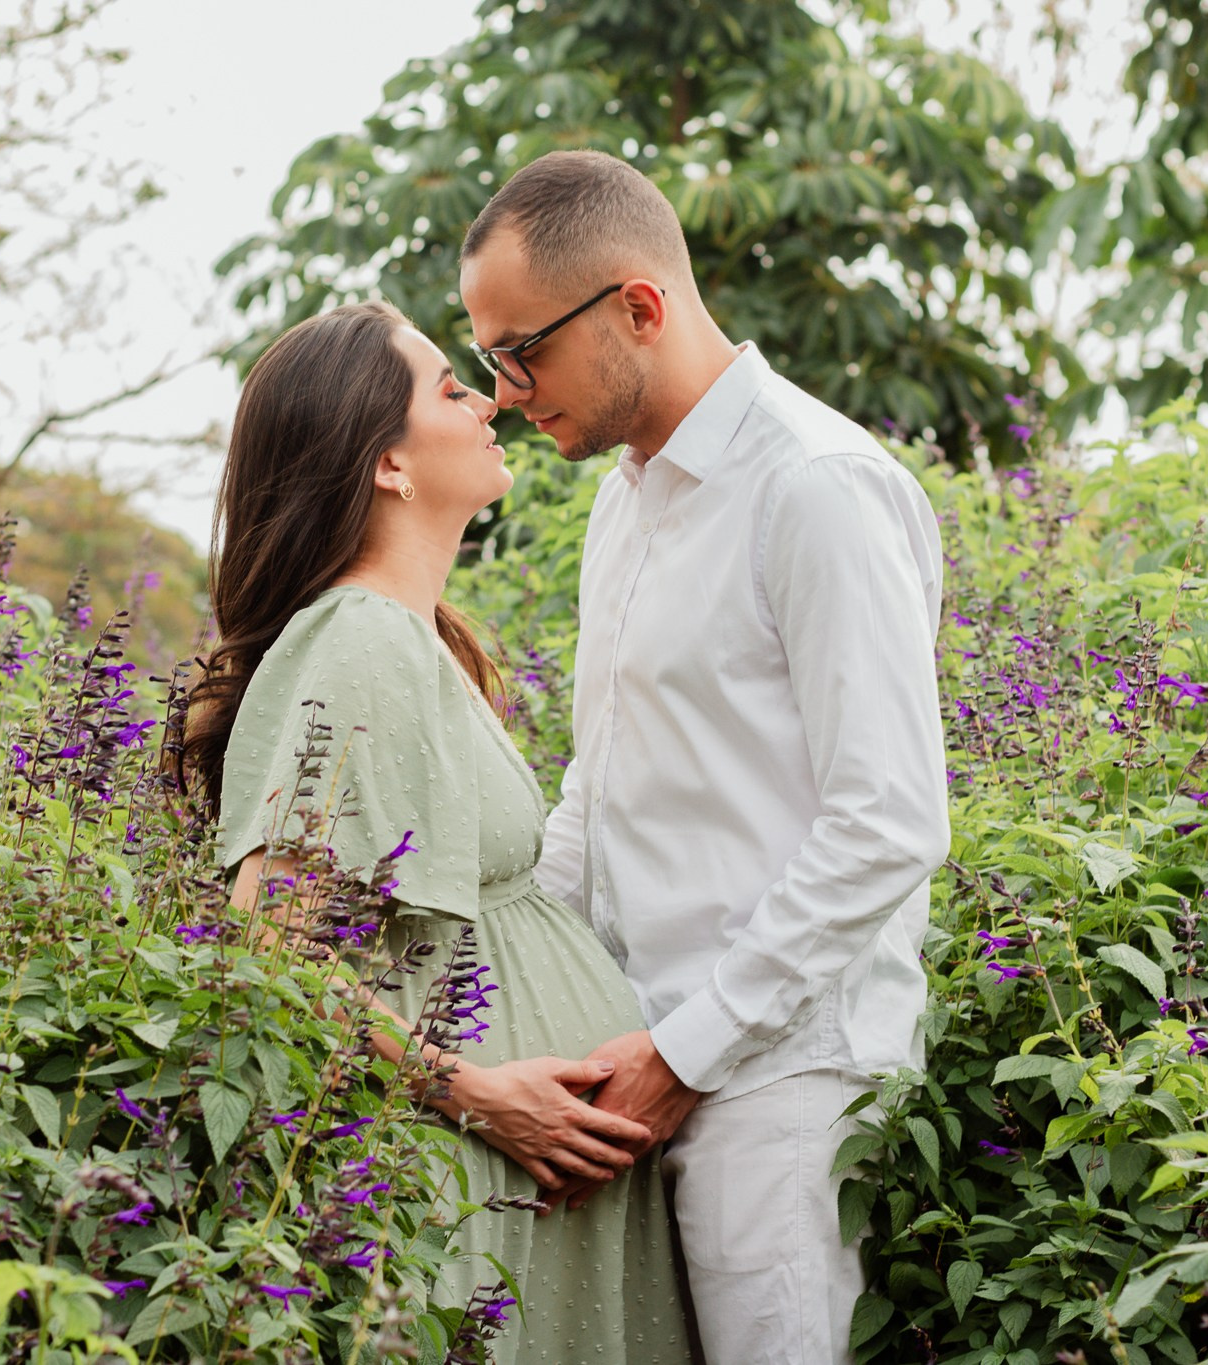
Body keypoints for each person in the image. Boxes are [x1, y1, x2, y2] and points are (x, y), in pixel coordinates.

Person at [459, 150, 952, 1365]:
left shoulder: (818, 488)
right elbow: (601, 780)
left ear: (638, 306)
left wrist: (691, 1050)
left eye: (523, 350)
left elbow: (888, 818)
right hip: (624, 1062)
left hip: (780, 1078)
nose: (511, 390)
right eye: (487, 360)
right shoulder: (622, 499)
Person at [180, 301, 692, 1364]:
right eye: (447, 387)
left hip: (526, 1184)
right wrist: (477, 1097)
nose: (489, 395)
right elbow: (268, 950)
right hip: (470, 1175)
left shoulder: (409, 641)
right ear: (388, 467)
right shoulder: (358, 640)